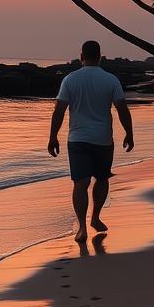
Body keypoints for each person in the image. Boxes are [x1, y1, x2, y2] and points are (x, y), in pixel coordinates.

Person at [48, 40, 134, 243]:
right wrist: (129, 133)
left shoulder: (70, 79)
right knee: (101, 179)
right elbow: (122, 108)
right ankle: (95, 217)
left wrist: (52, 137)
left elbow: (59, 109)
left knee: (81, 182)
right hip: (103, 139)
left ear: (81, 57)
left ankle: (82, 227)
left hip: (77, 139)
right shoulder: (110, 79)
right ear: (100, 57)